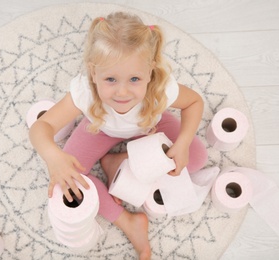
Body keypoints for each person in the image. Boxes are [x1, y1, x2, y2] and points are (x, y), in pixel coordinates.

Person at [29, 11, 208, 259]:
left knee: (196, 158)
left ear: (150, 72)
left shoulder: (159, 89)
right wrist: (53, 157)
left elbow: (194, 102)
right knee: (67, 182)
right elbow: (41, 126)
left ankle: (118, 161)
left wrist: (184, 142)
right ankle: (127, 221)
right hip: (100, 128)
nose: (122, 92)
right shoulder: (85, 92)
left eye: (135, 79)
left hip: (148, 126)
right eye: (110, 79)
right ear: (93, 74)